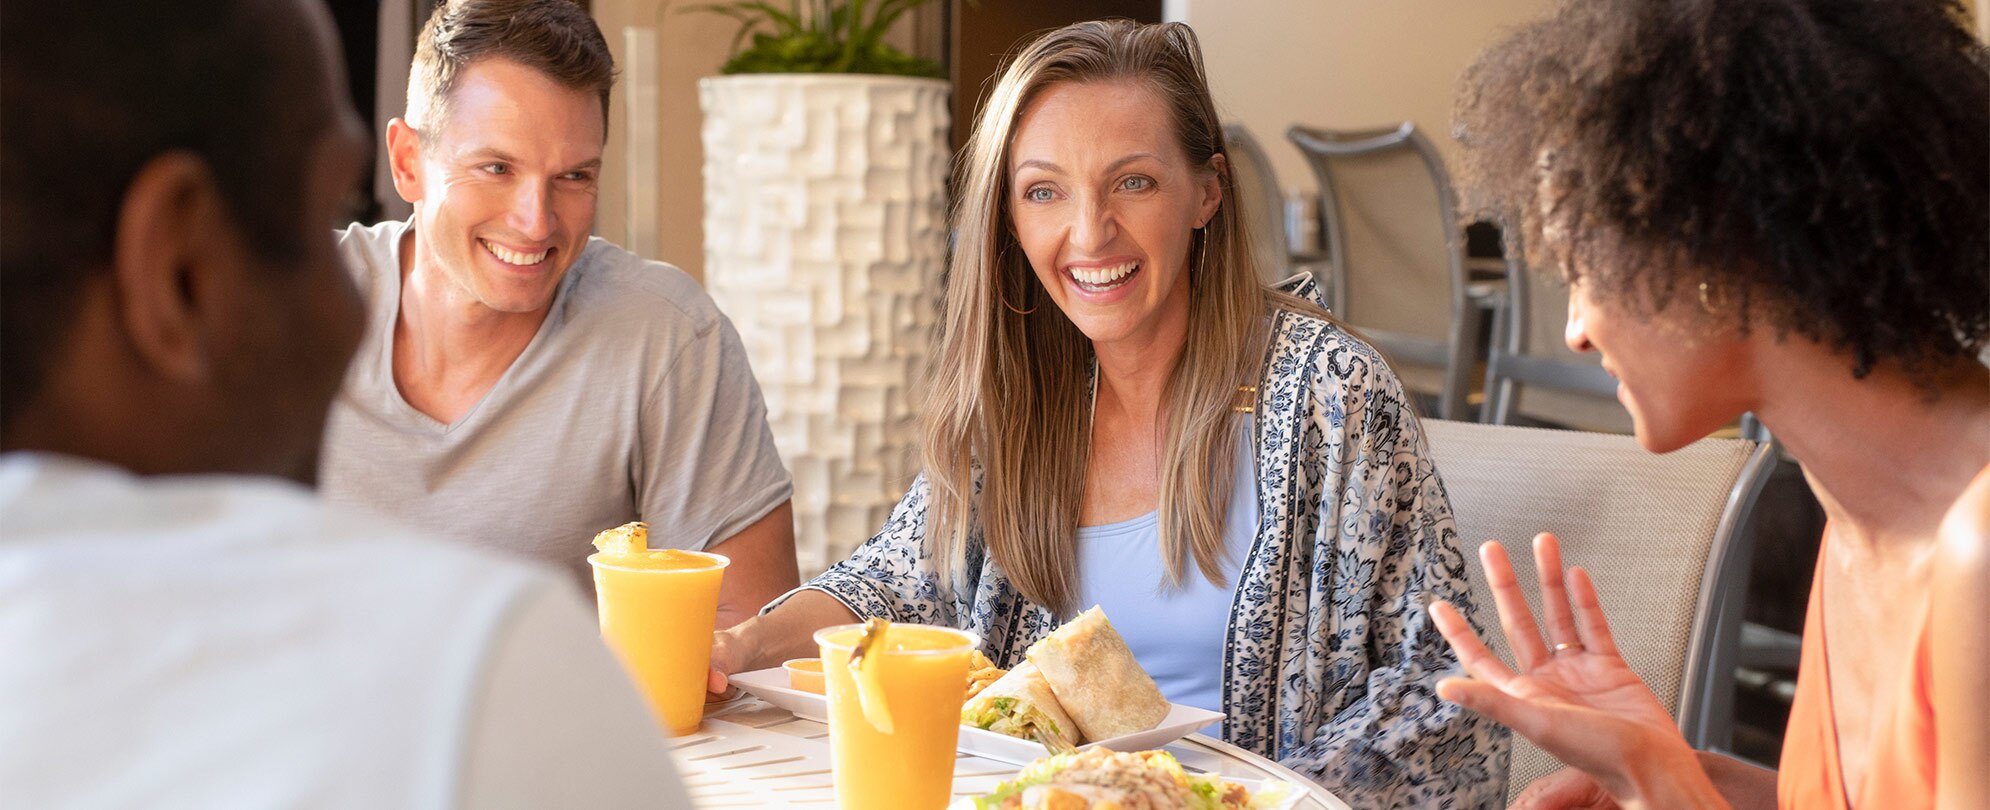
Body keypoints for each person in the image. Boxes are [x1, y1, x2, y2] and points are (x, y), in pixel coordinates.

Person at [710, 20, 1506, 808]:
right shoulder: (1019, 403)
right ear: (1010, 222)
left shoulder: (1330, 394)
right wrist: (737, 646)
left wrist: (1234, 802)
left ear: (1207, 192)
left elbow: (1445, 694)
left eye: (1133, 181)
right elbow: (895, 582)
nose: (1089, 233)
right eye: (1044, 191)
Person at [0, 0, 693, 805]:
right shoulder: (488, 676)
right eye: (328, 209)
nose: (358, 302)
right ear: (175, 268)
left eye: (575, 173)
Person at [1426, 0, 1990, 807]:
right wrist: (1668, 770)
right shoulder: (1861, 513)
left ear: (1715, 251)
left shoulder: (1981, 546)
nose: (1577, 331)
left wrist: (1672, 792)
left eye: (1582, 265)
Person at [319, 0, 797, 627]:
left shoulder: (668, 336)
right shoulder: (287, 309)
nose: (537, 221)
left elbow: (748, 640)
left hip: (567, 724)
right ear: (408, 162)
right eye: (497, 167)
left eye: (574, 176)